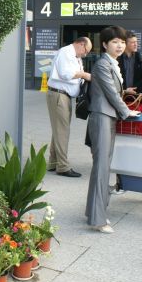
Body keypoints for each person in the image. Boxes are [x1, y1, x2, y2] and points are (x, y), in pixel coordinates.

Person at [85, 26, 140, 234]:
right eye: (115, 41)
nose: (120, 45)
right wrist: (128, 112)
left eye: (122, 42)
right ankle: (98, 220)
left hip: (107, 117)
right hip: (101, 118)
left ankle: (93, 212)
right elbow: (111, 94)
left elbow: (114, 91)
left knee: (103, 167)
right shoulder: (102, 64)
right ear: (105, 44)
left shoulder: (111, 64)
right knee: (101, 168)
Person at [46, 36, 92, 177]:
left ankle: (53, 162)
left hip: (63, 96)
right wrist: (85, 75)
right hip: (59, 95)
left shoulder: (74, 55)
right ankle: (63, 167)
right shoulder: (66, 52)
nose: (85, 54)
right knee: (62, 130)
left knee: (59, 130)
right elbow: (65, 74)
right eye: (86, 51)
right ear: (81, 44)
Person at [117, 31, 142, 95]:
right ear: (125, 44)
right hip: (121, 95)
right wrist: (125, 90)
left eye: (136, 42)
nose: (136, 44)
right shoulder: (117, 58)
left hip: (139, 96)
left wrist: (133, 89)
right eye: (132, 42)